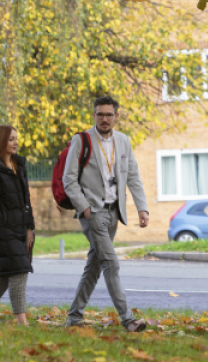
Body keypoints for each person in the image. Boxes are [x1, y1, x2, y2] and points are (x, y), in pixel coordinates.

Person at [63, 96, 150, 332]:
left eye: (109, 115)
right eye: (100, 114)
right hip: (93, 212)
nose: (104, 119)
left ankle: (74, 318)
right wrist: (85, 207)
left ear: (116, 116)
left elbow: (133, 176)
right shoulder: (81, 140)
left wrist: (142, 207)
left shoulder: (123, 141)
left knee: (94, 266)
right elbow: (68, 180)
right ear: (94, 115)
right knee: (111, 263)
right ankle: (128, 319)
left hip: (114, 213)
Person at [0, 125, 35, 326]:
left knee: (4, 277)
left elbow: (26, 200)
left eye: (16, 139)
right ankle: (22, 322)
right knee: (20, 271)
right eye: (11, 139)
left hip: (21, 230)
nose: (16, 143)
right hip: (4, 231)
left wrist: (29, 228)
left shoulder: (19, 166)